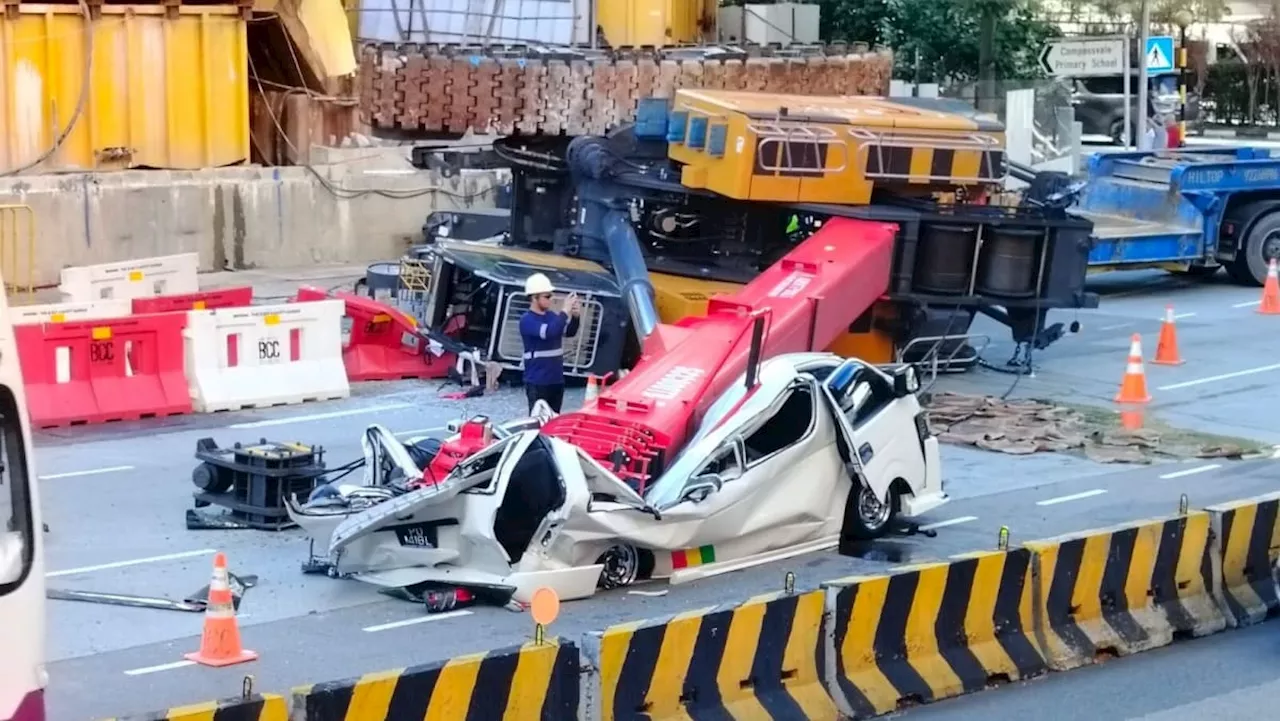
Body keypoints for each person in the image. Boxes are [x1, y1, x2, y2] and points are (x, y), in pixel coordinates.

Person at [518, 272, 580, 414]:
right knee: (538, 422)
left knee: (554, 421)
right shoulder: (527, 320)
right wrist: (565, 311)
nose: (551, 299)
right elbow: (549, 332)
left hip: (556, 380)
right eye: (547, 296)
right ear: (534, 298)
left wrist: (576, 317)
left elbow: (568, 332)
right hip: (537, 381)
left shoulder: (551, 316)